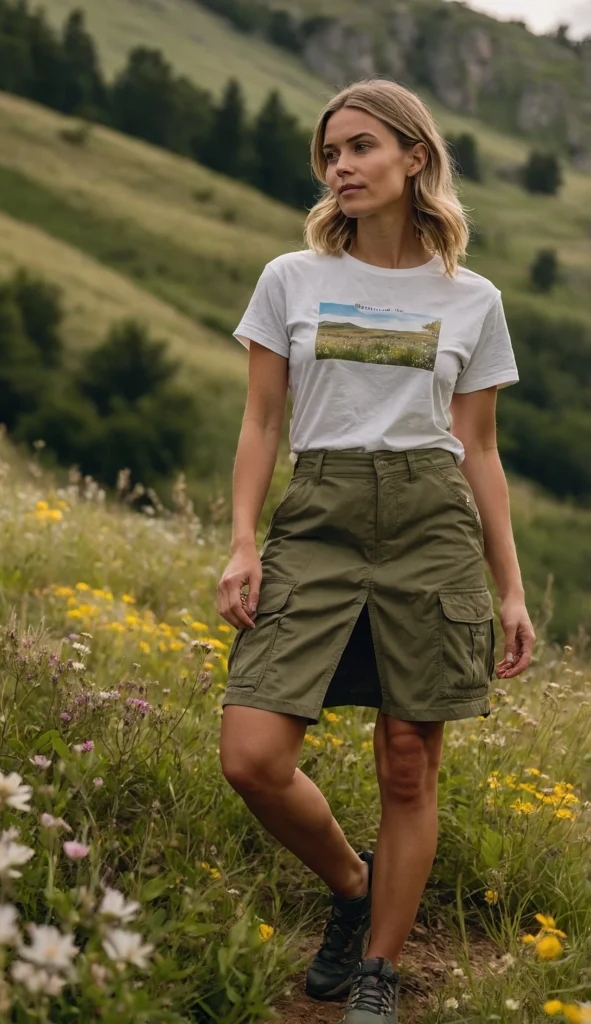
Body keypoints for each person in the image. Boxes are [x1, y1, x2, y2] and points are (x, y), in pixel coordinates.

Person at [216, 77, 536, 1024]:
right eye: (330, 153)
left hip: (429, 522)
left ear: (414, 158)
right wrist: (243, 539)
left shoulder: (471, 300)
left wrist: (509, 589)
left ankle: (379, 973)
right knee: (252, 755)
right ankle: (352, 890)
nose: (339, 167)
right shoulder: (291, 278)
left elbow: (477, 449)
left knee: (407, 759)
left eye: (359, 148)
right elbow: (261, 420)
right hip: (317, 515)